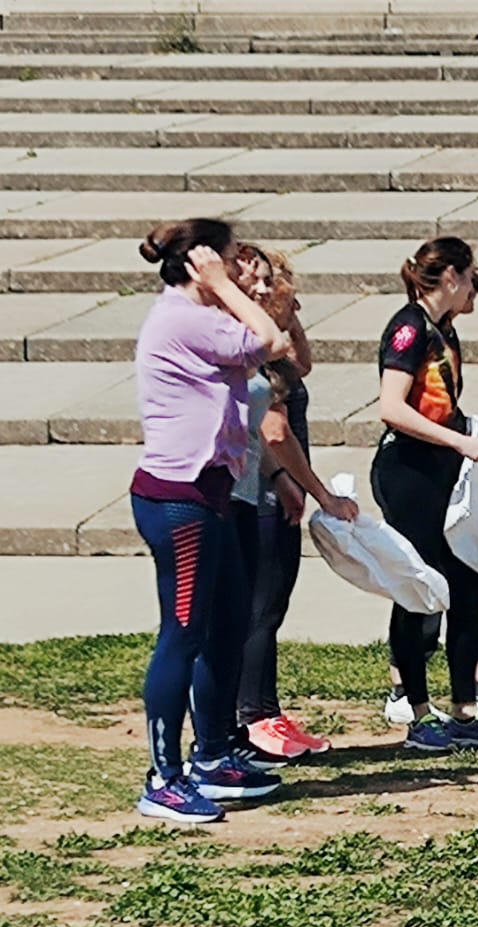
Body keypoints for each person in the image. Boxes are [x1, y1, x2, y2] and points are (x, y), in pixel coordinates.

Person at [130, 218, 296, 823]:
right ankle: (163, 779)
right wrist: (222, 284)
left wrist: (226, 286)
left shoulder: (200, 316)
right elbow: (271, 341)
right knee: (183, 634)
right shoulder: (185, 318)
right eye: (229, 258)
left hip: (210, 496)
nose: (238, 269)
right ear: (202, 262)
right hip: (179, 500)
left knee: (228, 623)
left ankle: (213, 755)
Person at [374, 236, 478, 752]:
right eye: (471, 275)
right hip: (408, 472)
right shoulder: (410, 327)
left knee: (468, 586)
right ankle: (416, 712)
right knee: (418, 587)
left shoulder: (444, 328)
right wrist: (457, 440)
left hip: (442, 468)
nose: (475, 285)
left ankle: (465, 711)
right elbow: (392, 407)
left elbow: (441, 404)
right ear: (452, 275)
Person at [227, 246, 359, 762]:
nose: (278, 294)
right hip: (262, 494)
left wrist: (290, 318)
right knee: (262, 608)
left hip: (277, 491)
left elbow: (302, 364)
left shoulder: (272, 351)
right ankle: (252, 718)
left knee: (273, 607)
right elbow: (275, 433)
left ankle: (267, 710)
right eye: (267, 287)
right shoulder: (249, 354)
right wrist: (321, 493)